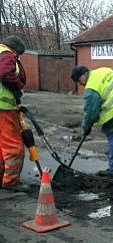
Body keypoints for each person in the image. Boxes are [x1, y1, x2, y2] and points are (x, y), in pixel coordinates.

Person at [0, 35, 30, 192]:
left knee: (1, 146)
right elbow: (5, 73)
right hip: (3, 107)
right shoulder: (6, 54)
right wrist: (17, 87)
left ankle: (2, 177)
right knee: (14, 146)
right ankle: (11, 181)